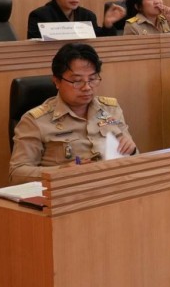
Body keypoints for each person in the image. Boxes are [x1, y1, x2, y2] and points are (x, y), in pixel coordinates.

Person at [9, 42, 137, 183]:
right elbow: (17, 173)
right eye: (77, 81)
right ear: (57, 81)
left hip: (114, 184)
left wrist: (131, 150)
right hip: (68, 191)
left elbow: (132, 155)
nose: (87, 87)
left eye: (92, 79)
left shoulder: (111, 109)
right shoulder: (35, 121)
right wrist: (61, 172)